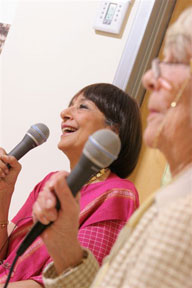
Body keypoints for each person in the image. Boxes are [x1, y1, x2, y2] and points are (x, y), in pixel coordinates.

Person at [32, 7, 192, 288]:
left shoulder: (177, 212)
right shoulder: (172, 198)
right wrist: (66, 249)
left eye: (175, 62)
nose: (149, 79)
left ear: (112, 130)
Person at [0, 83, 142, 287]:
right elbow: (5, 257)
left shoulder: (118, 193)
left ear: (113, 130)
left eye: (82, 107)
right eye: (69, 106)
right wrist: (3, 195)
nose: (64, 113)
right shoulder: (51, 182)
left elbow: (69, 282)